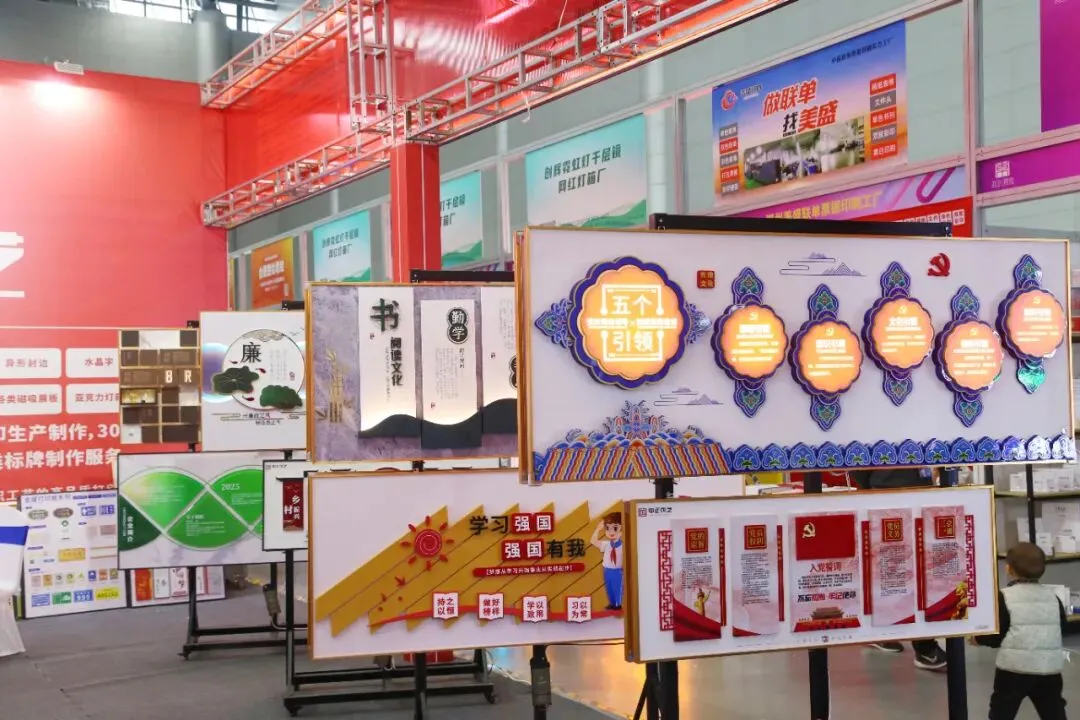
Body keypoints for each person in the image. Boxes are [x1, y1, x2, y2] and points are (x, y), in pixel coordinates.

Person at [854, 466, 949, 671]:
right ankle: (892, 634)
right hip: (887, 497)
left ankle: (923, 644)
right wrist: (877, 486)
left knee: (923, 571)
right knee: (890, 570)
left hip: (922, 493)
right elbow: (858, 464)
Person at [972, 542, 1077, 719]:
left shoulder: (1004, 597)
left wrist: (977, 639)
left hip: (1013, 669)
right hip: (1049, 669)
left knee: (1002, 711)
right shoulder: (1053, 597)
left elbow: (997, 634)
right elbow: (1062, 627)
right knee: (1054, 711)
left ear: (1009, 569)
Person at [591, 512, 624, 611]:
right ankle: (612, 603)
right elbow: (593, 541)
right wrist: (598, 529)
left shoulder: (623, 546)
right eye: (608, 528)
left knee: (617, 587)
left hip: (618, 570)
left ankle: (618, 604)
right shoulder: (606, 544)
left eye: (615, 528)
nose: (611, 532)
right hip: (607, 570)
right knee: (609, 587)